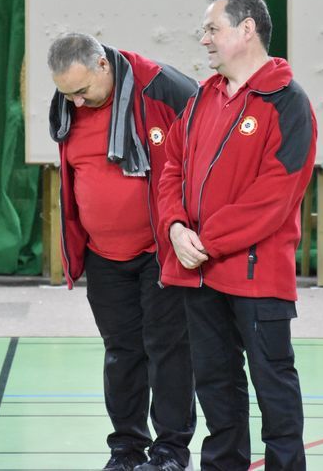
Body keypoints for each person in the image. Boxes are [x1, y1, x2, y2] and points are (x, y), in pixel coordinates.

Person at [158, 0, 316, 471]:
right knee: (215, 387)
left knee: (273, 386)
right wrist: (175, 227)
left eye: (213, 29)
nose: (204, 39)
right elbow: (171, 168)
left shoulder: (288, 102)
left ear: (247, 30)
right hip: (199, 273)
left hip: (256, 276)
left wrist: (205, 240)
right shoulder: (202, 98)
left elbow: (274, 196)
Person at [47, 33, 197, 471]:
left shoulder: (164, 87)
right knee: (121, 353)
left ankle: (171, 451)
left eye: (81, 91)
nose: (75, 102)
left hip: (160, 250)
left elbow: (201, 155)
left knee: (168, 352)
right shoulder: (69, 103)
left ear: (102, 65)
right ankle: (127, 449)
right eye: (67, 94)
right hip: (104, 256)